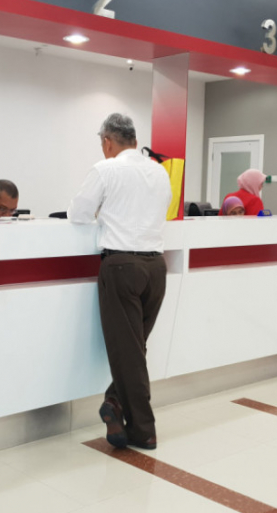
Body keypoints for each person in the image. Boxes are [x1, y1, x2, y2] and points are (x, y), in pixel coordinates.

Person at [68, 113, 172, 450]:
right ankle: (113, 403)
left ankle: (144, 430)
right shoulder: (160, 171)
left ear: (107, 141)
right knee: (134, 349)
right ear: (135, 141)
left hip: (121, 266)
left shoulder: (106, 169)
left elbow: (78, 214)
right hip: (156, 268)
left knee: (129, 351)